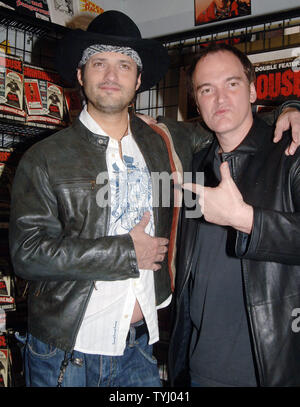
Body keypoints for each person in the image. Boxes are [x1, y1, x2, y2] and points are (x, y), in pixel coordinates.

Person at [8, 10, 300, 387]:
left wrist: (291, 107)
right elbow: (27, 253)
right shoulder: (44, 158)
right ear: (80, 74)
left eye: (124, 65)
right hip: (68, 352)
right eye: (99, 62)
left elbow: (233, 121)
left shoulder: (167, 141)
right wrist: (126, 253)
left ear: (139, 80)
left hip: (139, 351)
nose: (112, 75)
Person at [169, 43, 300, 387]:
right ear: (197, 103)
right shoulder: (195, 169)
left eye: (232, 84)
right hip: (201, 367)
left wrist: (247, 220)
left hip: (272, 368)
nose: (220, 98)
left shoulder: (292, 153)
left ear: (254, 90)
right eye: (206, 89)